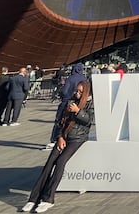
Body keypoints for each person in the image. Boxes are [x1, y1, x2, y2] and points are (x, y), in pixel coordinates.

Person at [21, 80, 93, 213]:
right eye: (77, 91)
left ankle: (48, 198)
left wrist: (78, 111)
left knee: (60, 162)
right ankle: (33, 198)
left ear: (86, 92)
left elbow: (88, 121)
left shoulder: (90, 104)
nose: (77, 94)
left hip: (77, 138)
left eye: (80, 92)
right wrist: (60, 137)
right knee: (49, 163)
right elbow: (61, 122)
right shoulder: (70, 101)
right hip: (64, 136)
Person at [46, 63, 86, 149]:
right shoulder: (84, 78)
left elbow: (64, 91)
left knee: (60, 120)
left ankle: (55, 139)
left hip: (66, 102)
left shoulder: (70, 78)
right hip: (80, 103)